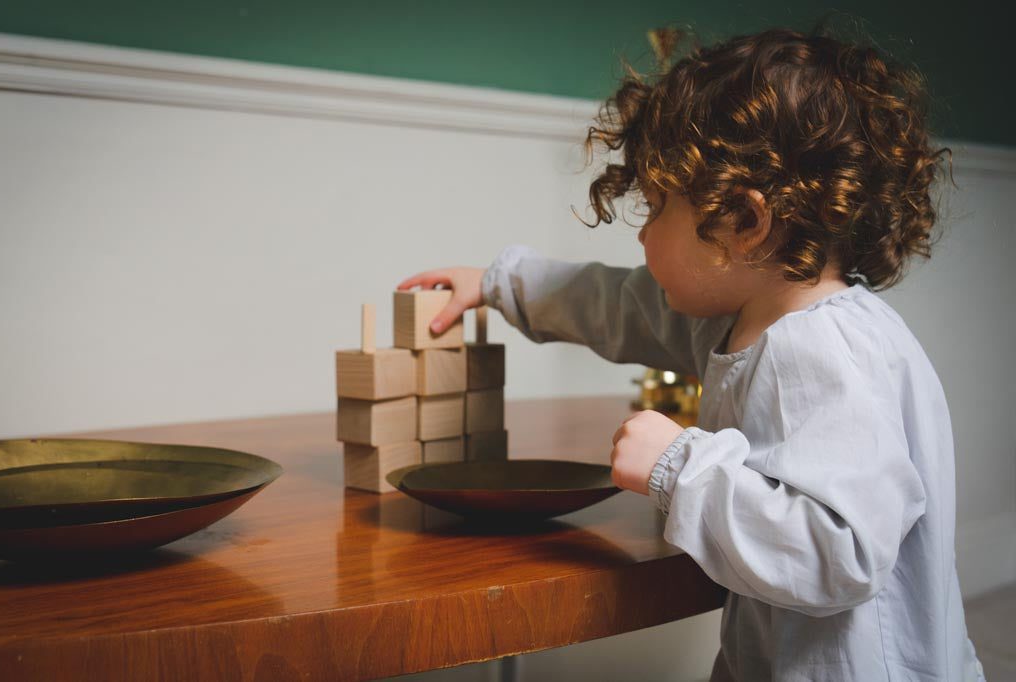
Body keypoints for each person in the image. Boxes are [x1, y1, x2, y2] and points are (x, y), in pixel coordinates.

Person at [397, 22, 985, 682]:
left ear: (745, 220)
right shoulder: (752, 316)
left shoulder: (821, 349)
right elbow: (622, 304)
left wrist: (678, 465)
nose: (643, 236)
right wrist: (497, 284)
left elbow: (839, 553)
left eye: (654, 208)